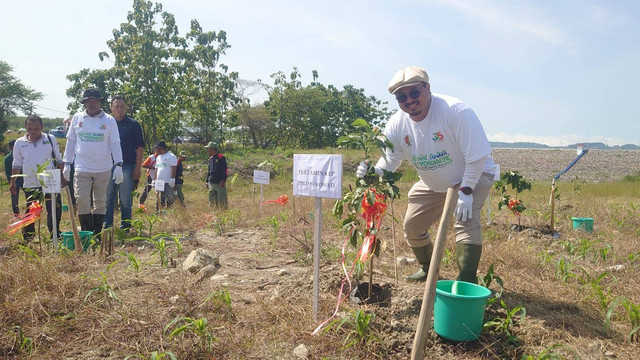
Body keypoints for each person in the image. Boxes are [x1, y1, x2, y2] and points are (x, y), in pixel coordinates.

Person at [356, 66, 498, 284]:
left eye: (414, 93)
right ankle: (429, 270)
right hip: (434, 181)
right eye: (402, 97)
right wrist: (373, 173)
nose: (409, 100)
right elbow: (391, 160)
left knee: (465, 221)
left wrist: (466, 190)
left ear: (427, 88)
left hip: (474, 174)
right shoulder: (397, 124)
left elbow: (477, 156)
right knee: (412, 225)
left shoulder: (455, 111)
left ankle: (466, 282)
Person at [63, 88, 123, 238]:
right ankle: (86, 233)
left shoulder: (109, 120)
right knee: (82, 200)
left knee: (100, 202)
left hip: (103, 169)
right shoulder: (77, 118)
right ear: (84, 102)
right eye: (88, 101)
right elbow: (71, 142)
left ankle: (96, 235)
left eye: (95, 101)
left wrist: (119, 164)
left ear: (100, 102)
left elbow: (115, 143)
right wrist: (66, 164)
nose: (91, 104)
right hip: (81, 168)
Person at [10, 115, 66, 241]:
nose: (33, 132)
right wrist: (12, 182)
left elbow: (58, 158)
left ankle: (55, 234)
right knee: (32, 210)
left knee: (54, 208)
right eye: (30, 129)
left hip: (50, 178)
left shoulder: (50, 139)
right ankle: (28, 237)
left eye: (36, 129)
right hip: (31, 180)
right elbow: (17, 163)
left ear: (42, 127)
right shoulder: (20, 143)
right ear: (26, 128)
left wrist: (62, 175)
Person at [104, 95, 145, 231]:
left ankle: (125, 228)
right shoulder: (106, 123)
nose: (119, 110)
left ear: (126, 108)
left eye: (122, 106)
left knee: (125, 199)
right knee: (108, 197)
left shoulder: (133, 125)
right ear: (111, 108)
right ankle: (107, 226)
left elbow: (140, 147)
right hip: (108, 165)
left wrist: (138, 168)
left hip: (127, 166)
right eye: (116, 106)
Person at [153, 141, 177, 207]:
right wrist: (154, 179)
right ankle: (159, 212)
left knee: (169, 198)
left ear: (161, 148)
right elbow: (156, 169)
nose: (156, 150)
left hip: (168, 181)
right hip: (159, 181)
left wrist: (172, 178)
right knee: (159, 198)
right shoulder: (158, 157)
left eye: (157, 149)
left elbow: (174, 167)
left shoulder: (171, 156)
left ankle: (169, 213)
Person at [205, 142, 228, 209]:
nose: (208, 150)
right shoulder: (211, 159)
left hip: (219, 183)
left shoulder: (221, 157)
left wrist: (223, 180)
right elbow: (209, 171)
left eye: (209, 148)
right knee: (212, 200)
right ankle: (214, 213)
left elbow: (225, 170)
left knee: (222, 200)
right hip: (211, 183)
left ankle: (223, 213)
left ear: (213, 149)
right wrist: (207, 181)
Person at [5, 139, 24, 215]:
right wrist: (11, 182)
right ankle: (16, 214)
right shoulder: (8, 158)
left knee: (29, 195)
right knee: (14, 198)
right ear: (11, 147)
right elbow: (7, 171)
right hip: (15, 180)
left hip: (23, 178)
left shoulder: (22, 155)